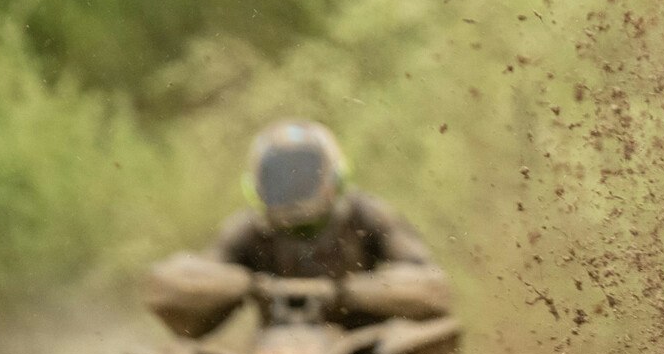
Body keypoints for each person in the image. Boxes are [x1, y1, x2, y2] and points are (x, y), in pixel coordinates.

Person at [144, 121, 452, 338]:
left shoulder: (366, 215)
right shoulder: (249, 231)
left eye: (304, 172)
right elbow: (177, 284)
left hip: (369, 353)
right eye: (281, 176)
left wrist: (351, 293)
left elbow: (431, 285)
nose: (293, 186)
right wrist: (241, 285)